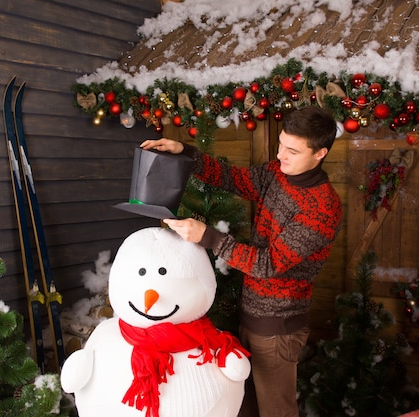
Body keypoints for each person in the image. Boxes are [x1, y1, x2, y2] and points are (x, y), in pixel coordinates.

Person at [140, 105, 343, 417]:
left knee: (277, 412)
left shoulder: (322, 207)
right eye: (280, 145)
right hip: (249, 317)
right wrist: (186, 153)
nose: (281, 156)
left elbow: (266, 264)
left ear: (320, 153)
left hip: (277, 329)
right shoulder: (279, 173)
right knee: (241, 406)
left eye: (292, 150)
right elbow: (235, 179)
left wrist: (206, 236)